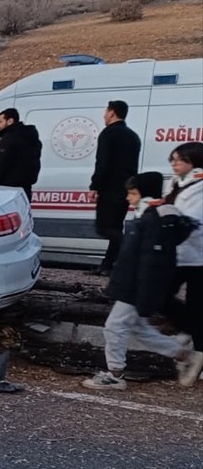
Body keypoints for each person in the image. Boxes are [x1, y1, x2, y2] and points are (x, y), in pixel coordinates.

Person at [82, 172, 203, 391]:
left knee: (115, 326)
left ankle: (115, 374)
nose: (129, 198)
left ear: (144, 194)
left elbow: (151, 262)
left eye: (133, 192)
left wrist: (146, 295)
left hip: (136, 286)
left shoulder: (152, 220)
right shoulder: (149, 216)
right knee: (138, 328)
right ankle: (185, 355)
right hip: (134, 284)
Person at [163, 141, 203, 386]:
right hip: (178, 254)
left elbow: (191, 220)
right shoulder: (176, 183)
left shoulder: (200, 186)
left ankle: (199, 355)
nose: (174, 164)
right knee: (160, 296)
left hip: (199, 256)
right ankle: (188, 329)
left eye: (180, 159)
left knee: (198, 305)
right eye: (173, 159)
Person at [90, 100, 141, 275]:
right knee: (116, 226)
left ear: (112, 112)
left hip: (109, 188)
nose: (104, 115)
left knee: (104, 227)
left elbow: (102, 163)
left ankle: (132, 248)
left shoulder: (108, 134)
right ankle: (108, 265)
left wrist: (95, 185)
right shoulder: (133, 136)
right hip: (126, 189)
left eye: (106, 111)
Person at [0, 108, 43, 200]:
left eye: (0, 122)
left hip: (9, 189)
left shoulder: (10, 138)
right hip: (25, 189)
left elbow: (0, 164)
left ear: (10, 121)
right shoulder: (31, 137)